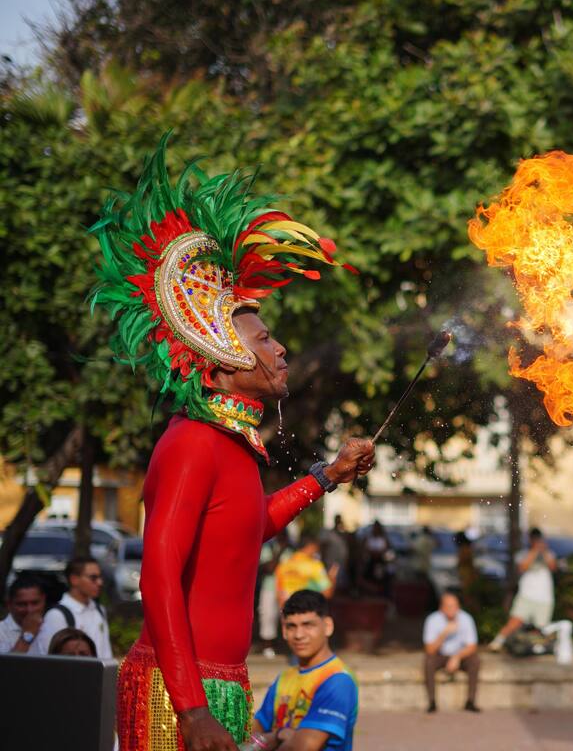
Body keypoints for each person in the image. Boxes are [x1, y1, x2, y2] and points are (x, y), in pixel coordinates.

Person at [92, 141, 376, 751]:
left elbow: (248, 527)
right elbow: (158, 574)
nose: (280, 349)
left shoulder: (232, 445)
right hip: (177, 694)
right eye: (264, 339)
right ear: (221, 358)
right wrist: (192, 709)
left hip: (219, 686)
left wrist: (328, 476)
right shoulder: (193, 441)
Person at [250, 590, 359, 750]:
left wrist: (272, 738)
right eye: (291, 626)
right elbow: (252, 734)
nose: (299, 635)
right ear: (284, 631)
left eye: (308, 625)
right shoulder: (284, 678)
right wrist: (279, 735)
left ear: (328, 626)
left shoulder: (338, 679)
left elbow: (305, 746)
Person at [488, 528, 556, 651]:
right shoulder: (523, 553)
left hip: (545, 597)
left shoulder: (548, 553)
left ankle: (535, 648)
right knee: (514, 622)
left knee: (541, 627)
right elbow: (523, 567)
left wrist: (544, 551)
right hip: (526, 595)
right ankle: (498, 642)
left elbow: (553, 567)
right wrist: (535, 550)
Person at [33, 556, 112, 660]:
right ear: (74, 579)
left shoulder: (99, 609)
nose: (100, 582)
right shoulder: (57, 615)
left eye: (100, 577)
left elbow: (106, 654)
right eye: (93, 578)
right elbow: (49, 658)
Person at [422, 592, 482, 713]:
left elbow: (472, 646)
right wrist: (444, 634)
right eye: (448, 606)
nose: (452, 609)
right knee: (428, 661)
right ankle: (432, 702)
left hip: (460, 654)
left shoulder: (466, 619)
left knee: (475, 660)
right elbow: (429, 650)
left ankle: (470, 701)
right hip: (440, 654)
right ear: (441, 608)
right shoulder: (432, 620)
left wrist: (457, 657)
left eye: (454, 606)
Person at [277, 534, 336, 608]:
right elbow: (328, 593)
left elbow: (279, 593)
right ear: (311, 546)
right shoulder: (314, 565)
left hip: (287, 610)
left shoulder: (284, 563)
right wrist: (332, 578)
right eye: (317, 549)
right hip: (307, 610)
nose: (317, 552)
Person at [0, 574, 47, 653]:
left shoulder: (51, 624)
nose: (29, 610)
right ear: (9, 605)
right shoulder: (1, 632)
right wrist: (28, 635)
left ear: (44, 601)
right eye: (22, 604)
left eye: (35, 603)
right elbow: (8, 662)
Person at [360, 521, 393, 597]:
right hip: (370, 562)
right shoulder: (368, 538)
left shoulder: (383, 539)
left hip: (380, 562)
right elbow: (365, 549)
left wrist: (378, 553)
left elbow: (386, 550)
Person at [320, 517, 350, 594]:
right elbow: (323, 547)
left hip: (340, 562)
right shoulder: (330, 534)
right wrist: (323, 559)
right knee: (330, 581)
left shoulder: (343, 534)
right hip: (331, 562)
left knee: (339, 583)